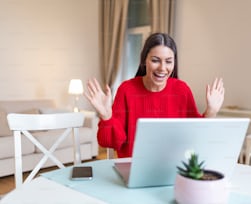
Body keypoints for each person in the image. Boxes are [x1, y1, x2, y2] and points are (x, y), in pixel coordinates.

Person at [85, 33, 225, 158]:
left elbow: (195, 136)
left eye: (168, 61)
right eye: (155, 60)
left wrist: (210, 112)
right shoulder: (127, 90)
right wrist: (106, 117)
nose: (162, 68)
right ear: (144, 60)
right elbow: (112, 142)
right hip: (135, 169)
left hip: (174, 168)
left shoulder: (182, 90)